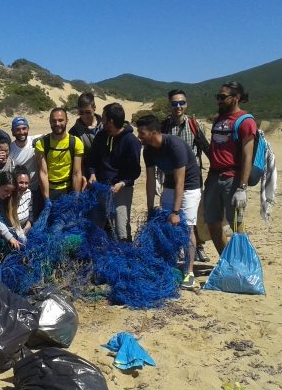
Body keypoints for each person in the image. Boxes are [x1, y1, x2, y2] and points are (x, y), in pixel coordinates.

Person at [137, 114, 201, 289]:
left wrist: (175, 212)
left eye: (142, 133)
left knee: (187, 227)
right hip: (169, 186)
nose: (139, 137)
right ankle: (170, 266)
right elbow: (150, 181)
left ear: (154, 132)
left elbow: (181, 181)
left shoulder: (175, 145)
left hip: (189, 187)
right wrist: (150, 208)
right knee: (165, 227)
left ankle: (189, 272)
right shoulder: (148, 150)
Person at [204, 81, 256, 255]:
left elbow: (247, 155)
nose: (219, 100)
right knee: (212, 222)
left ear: (236, 98)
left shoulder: (246, 121)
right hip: (213, 178)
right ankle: (226, 261)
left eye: (223, 97)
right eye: (217, 96)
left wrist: (242, 188)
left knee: (236, 225)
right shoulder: (219, 119)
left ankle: (242, 266)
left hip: (232, 178)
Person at [161, 89, 211, 262]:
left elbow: (206, 148)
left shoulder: (195, 125)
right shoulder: (164, 126)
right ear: (170, 105)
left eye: (181, 103)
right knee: (173, 215)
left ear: (186, 104)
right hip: (169, 178)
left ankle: (199, 247)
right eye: (174, 103)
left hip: (192, 178)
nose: (178, 106)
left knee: (193, 216)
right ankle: (178, 249)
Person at [87, 103, 142, 242]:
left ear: (110, 121)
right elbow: (92, 159)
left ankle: (125, 256)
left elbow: (135, 171)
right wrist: (92, 174)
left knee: (120, 229)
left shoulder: (131, 141)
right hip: (100, 189)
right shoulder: (100, 136)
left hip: (121, 191)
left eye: (104, 119)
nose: (101, 122)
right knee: (96, 226)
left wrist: (123, 183)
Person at [35, 107, 84, 203]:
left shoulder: (76, 143)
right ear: (49, 121)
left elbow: (77, 173)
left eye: (61, 120)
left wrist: (76, 197)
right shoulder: (41, 144)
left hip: (68, 190)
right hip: (49, 190)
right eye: (54, 121)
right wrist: (46, 199)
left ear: (67, 121)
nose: (57, 124)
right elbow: (43, 173)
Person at [69, 92, 102, 188]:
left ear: (94, 108)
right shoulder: (74, 132)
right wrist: (83, 176)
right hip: (87, 177)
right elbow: (78, 160)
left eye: (88, 112)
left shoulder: (105, 125)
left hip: (106, 174)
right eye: (81, 113)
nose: (84, 116)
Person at [13, 165, 33, 236]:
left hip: (25, 229)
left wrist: (27, 227)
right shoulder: (9, 196)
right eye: (21, 182)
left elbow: (30, 213)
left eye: (26, 183)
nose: (24, 186)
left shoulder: (28, 193)